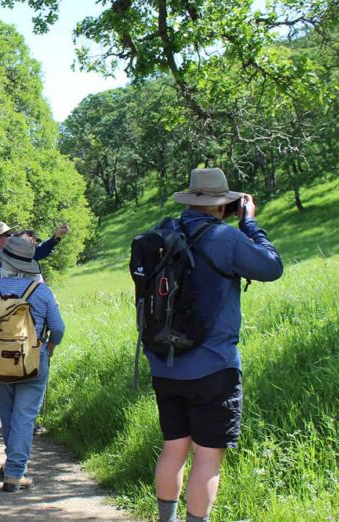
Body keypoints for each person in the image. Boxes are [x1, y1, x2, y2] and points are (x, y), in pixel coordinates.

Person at [148, 168, 282, 522]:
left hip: (165, 364)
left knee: (173, 448)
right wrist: (250, 224)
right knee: (207, 457)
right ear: (223, 205)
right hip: (213, 366)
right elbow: (272, 267)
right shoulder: (226, 238)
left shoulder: (162, 233)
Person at [0, 236, 65, 492]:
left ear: (5, 263)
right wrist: (50, 346)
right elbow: (58, 328)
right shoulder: (41, 291)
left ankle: (13, 465)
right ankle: (14, 471)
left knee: (9, 416)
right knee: (24, 417)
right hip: (33, 360)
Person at [0, 221, 69, 416]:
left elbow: (40, 252)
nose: (11, 237)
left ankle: (10, 410)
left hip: (22, 321)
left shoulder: (21, 255)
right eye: (6, 234)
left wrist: (56, 238)